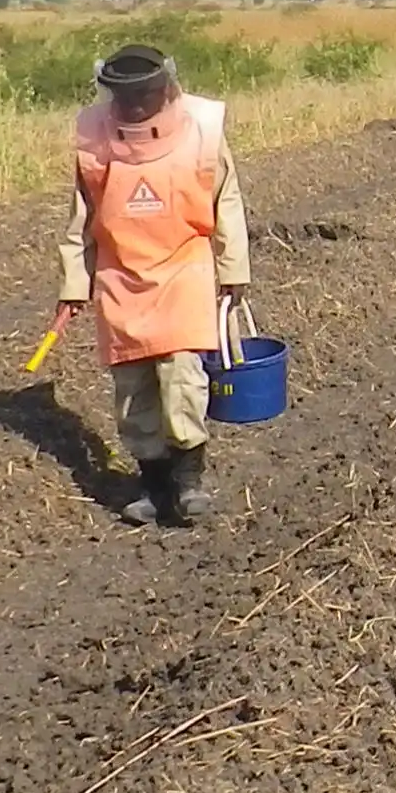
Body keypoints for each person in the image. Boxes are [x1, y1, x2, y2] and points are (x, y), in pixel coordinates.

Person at [54, 43, 254, 529]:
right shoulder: (94, 137)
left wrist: (233, 271)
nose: (138, 106)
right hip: (120, 277)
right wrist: (74, 283)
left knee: (182, 377)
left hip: (183, 269)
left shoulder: (202, 129)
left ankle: (188, 484)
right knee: (132, 387)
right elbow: (80, 219)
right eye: (129, 97)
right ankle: (151, 483)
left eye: (145, 95)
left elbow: (226, 201)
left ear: (164, 87)